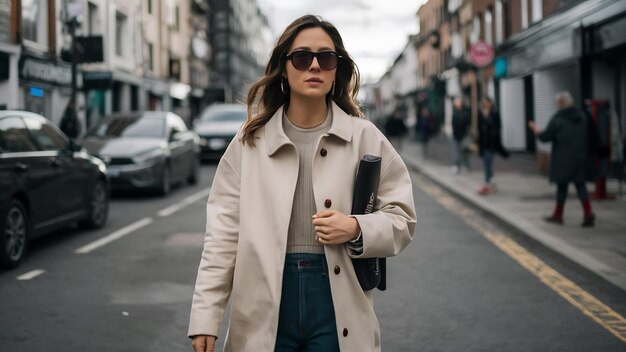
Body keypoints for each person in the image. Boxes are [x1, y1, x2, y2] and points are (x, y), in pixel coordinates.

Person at [188, 15, 417, 352]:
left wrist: (355, 228)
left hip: (336, 301)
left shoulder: (364, 136)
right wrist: (206, 316)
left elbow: (403, 218)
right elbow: (222, 235)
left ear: (337, 69)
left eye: (326, 58)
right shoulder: (249, 142)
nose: (314, 66)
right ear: (284, 67)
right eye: (301, 57)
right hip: (263, 299)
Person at [528, 91, 595, 227]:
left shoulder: (558, 119)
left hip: (563, 158)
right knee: (580, 185)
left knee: (562, 186)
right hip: (579, 157)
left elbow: (545, 137)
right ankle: (588, 213)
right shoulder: (581, 116)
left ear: (559, 104)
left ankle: (558, 215)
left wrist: (536, 130)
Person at [477, 96, 508, 195]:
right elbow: (479, 128)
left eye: (487, 102)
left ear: (490, 103)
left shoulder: (494, 113)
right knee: (487, 162)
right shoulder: (481, 113)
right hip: (483, 142)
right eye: (484, 103)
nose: (485, 104)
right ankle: (490, 181)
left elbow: (498, 126)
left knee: (488, 161)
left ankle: (487, 182)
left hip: (492, 142)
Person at [451, 96, 471, 174]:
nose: (457, 103)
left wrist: (465, 132)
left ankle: (466, 166)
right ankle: (457, 166)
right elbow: (453, 124)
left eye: (458, 101)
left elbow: (467, 124)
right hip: (456, 135)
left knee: (465, 151)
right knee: (456, 152)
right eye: (456, 102)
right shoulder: (454, 112)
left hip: (463, 135)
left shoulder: (465, 112)